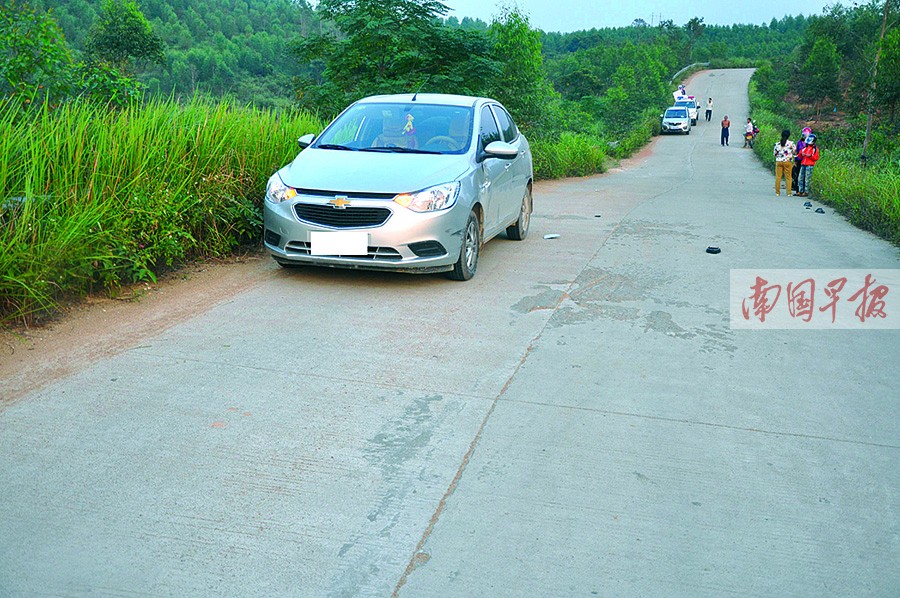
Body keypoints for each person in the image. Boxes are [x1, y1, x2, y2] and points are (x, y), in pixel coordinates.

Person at [773, 129, 795, 196]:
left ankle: (777, 192)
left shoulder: (777, 144)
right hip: (788, 162)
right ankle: (789, 192)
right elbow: (794, 152)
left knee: (778, 177)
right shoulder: (791, 144)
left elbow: (775, 154)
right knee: (788, 177)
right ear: (788, 135)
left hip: (779, 161)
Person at [792, 127, 811, 195]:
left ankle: (805, 191)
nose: (805, 136)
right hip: (800, 161)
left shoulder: (810, 144)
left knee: (806, 177)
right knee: (798, 176)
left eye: (806, 134)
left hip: (807, 162)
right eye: (804, 134)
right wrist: (795, 161)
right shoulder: (799, 142)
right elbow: (797, 152)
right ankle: (798, 190)